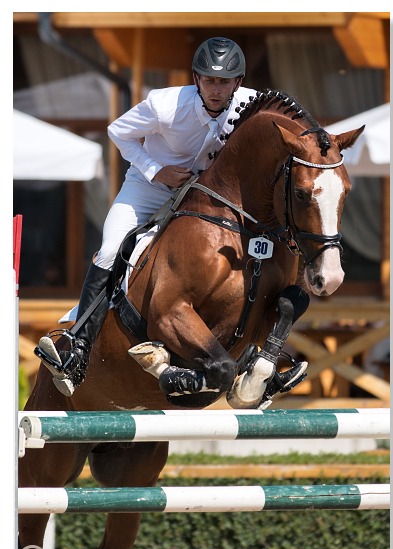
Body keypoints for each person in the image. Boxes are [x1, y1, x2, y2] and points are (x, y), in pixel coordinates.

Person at [35, 37, 307, 399]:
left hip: (207, 198)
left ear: (238, 83)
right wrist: (156, 169)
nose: (216, 89)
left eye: (225, 82)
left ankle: (255, 357)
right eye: (209, 80)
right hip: (150, 188)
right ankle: (77, 346)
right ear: (196, 79)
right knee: (111, 249)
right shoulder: (164, 105)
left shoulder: (249, 107)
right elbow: (118, 132)